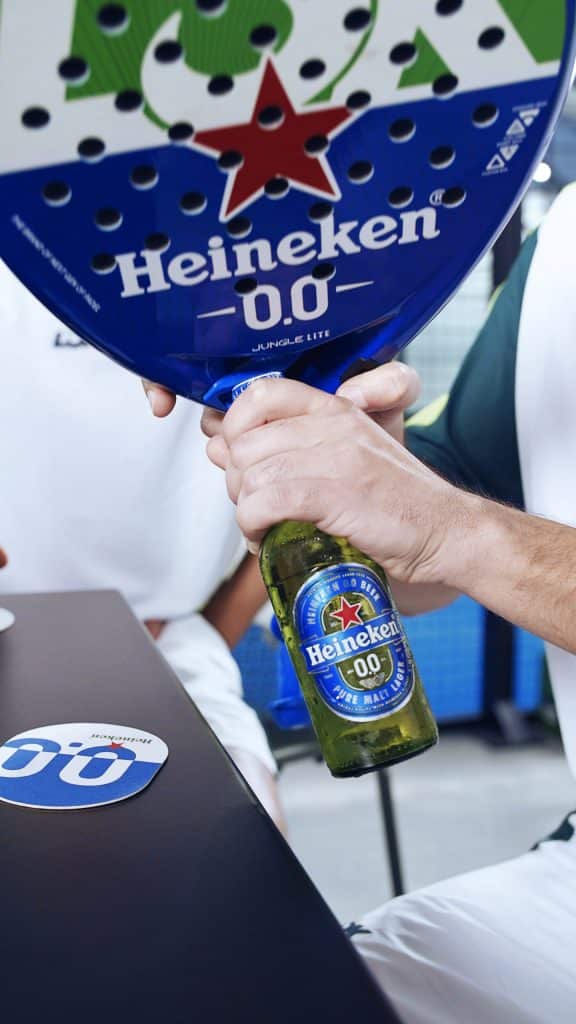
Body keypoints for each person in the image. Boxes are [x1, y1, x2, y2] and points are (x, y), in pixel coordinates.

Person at [189, 184, 576, 1022]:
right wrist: (362, 481)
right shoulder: (564, 243)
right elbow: (433, 553)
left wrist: (455, 530)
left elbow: (462, 532)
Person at [0, 258, 284, 832]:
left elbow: (303, 492)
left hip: (171, 641)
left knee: (248, 845)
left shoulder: (260, 265)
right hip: (5, 628)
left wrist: (214, 631)